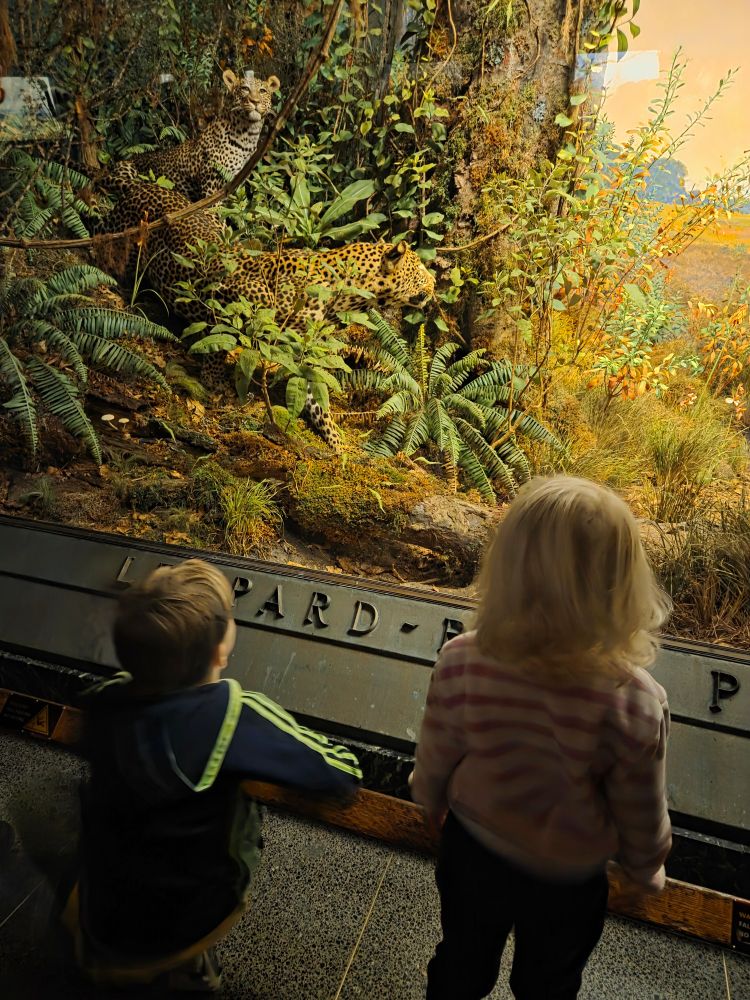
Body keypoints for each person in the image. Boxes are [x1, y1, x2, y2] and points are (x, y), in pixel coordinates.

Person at [410, 476, 673, 1000]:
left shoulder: (464, 657)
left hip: (473, 849)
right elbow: (640, 806)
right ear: (622, 585)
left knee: (461, 956)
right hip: (567, 878)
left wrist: (428, 794)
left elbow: (438, 746)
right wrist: (647, 868)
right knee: (549, 981)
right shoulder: (634, 700)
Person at [63, 558, 361, 992]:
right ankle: (190, 967)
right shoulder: (235, 715)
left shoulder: (103, 699)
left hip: (103, 901)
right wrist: (348, 762)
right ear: (222, 649)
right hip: (189, 910)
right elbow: (337, 776)